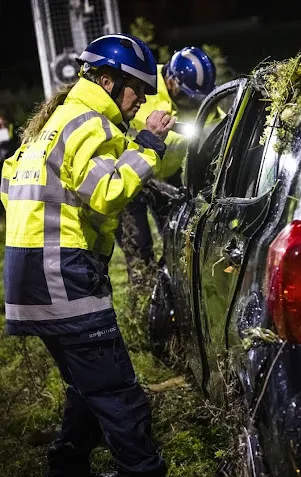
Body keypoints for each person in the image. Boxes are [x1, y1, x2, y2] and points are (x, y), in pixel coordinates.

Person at [1, 33, 175, 477]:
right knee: (118, 393)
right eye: (137, 88)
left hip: (27, 277)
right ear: (108, 80)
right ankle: (143, 471)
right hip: (63, 275)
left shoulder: (52, 123)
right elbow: (107, 192)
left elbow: (9, 186)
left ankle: (68, 465)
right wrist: (149, 146)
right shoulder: (89, 125)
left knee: (85, 386)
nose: (141, 100)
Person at [115, 46, 223, 277]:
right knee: (138, 246)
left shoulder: (195, 99)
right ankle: (144, 296)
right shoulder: (142, 86)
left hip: (167, 174)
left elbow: (218, 123)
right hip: (130, 177)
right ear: (171, 81)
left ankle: (172, 288)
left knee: (176, 236)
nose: (192, 106)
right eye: (187, 97)